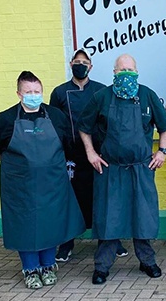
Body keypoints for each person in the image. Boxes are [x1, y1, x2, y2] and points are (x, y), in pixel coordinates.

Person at [78, 54, 166, 284]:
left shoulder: (147, 95)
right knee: (109, 217)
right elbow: (84, 127)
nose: (126, 74)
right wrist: (90, 152)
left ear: (137, 71)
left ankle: (147, 262)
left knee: (143, 217)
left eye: (130, 69)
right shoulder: (102, 97)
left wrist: (162, 151)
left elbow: (165, 125)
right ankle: (101, 267)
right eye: (122, 70)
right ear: (114, 72)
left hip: (141, 168)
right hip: (111, 169)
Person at [0, 71, 85, 290]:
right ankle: (30, 269)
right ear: (19, 94)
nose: (33, 95)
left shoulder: (57, 116)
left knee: (51, 223)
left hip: (53, 183)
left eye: (37, 91)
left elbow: (68, 145)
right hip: (20, 185)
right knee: (25, 225)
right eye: (28, 92)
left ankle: (48, 266)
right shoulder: (4, 120)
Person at [49, 48, 128, 262]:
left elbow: (108, 122)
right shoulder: (59, 93)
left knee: (103, 197)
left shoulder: (101, 91)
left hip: (99, 153)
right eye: (77, 61)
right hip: (72, 155)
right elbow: (55, 124)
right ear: (70, 64)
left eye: (84, 62)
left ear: (91, 66)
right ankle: (66, 244)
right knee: (70, 199)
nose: (80, 65)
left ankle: (112, 240)